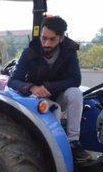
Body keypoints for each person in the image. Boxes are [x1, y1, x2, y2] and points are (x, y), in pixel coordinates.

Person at [8, 15, 91, 163]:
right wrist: (32, 87)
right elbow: (13, 81)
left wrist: (48, 87)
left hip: (58, 94)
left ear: (61, 38)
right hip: (38, 99)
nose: (46, 43)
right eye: (44, 38)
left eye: (52, 39)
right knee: (55, 109)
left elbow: (76, 79)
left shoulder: (69, 51)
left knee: (75, 94)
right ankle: (54, 148)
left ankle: (73, 142)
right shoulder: (29, 52)